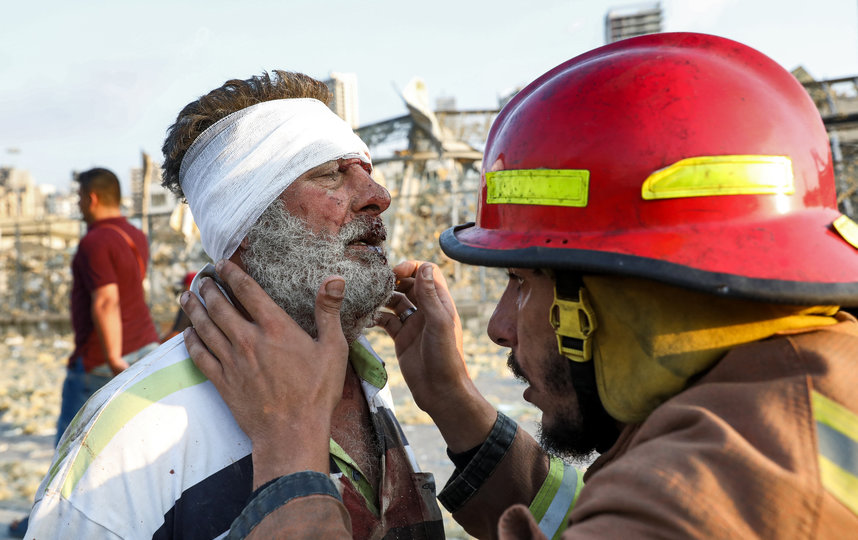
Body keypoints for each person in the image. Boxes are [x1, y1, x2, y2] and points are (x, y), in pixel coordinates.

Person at [180, 33, 858, 539]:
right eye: (331, 174)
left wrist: (291, 451)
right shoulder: (802, 390)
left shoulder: (694, 505)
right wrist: (454, 402)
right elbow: (581, 515)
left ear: (622, 288)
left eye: (524, 282)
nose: (498, 324)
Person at [25, 70, 443, 539]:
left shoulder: (365, 378)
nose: (378, 197)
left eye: (367, 171)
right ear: (244, 222)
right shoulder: (130, 438)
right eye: (329, 174)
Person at [8, 168, 161, 538]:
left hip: (101, 360)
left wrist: (111, 359)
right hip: (145, 347)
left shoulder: (95, 241)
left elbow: (106, 301)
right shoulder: (134, 234)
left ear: (92, 198)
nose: (77, 205)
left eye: (78, 198)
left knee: (70, 450)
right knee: (130, 445)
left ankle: (48, 525)